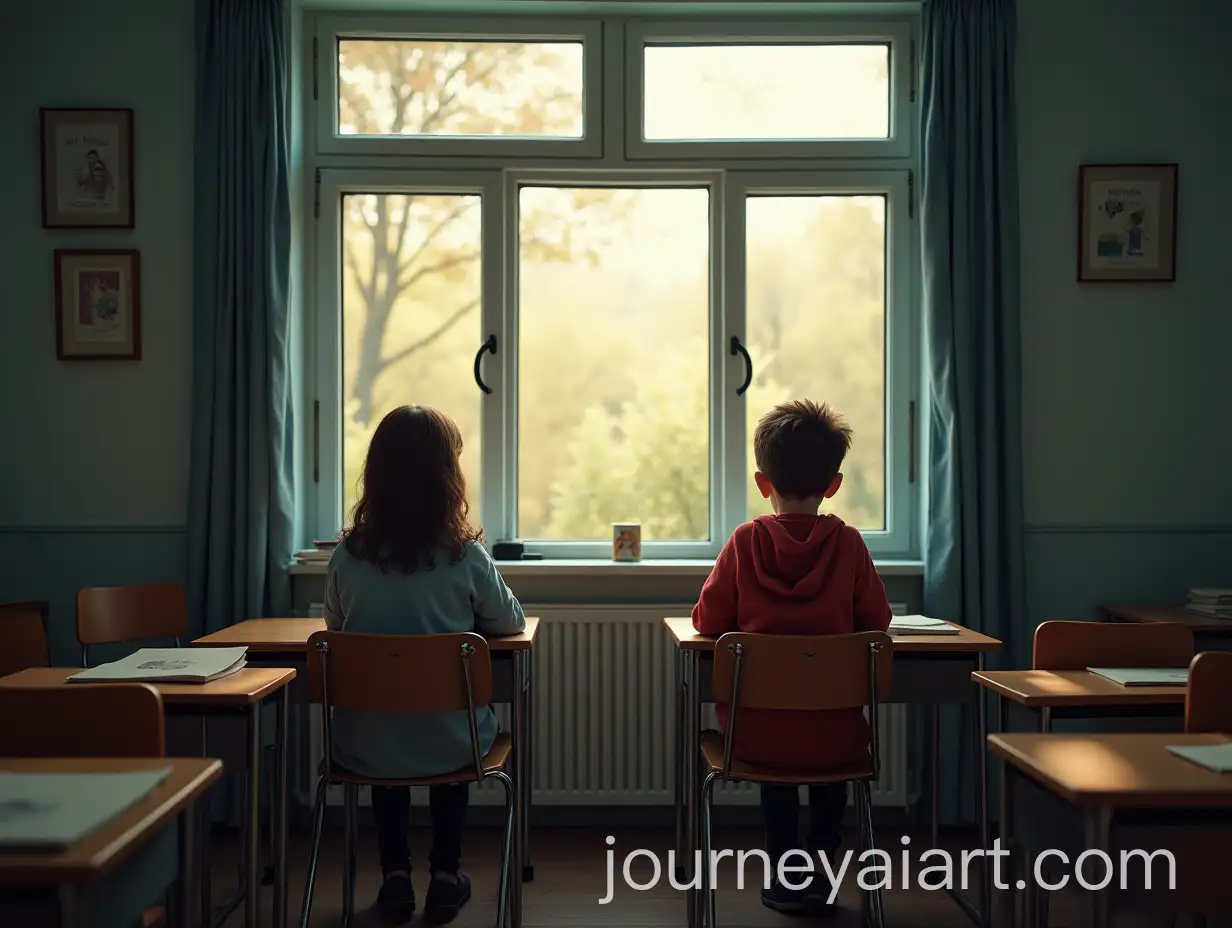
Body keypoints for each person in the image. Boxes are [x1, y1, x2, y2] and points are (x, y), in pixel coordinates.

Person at [324, 405, 525, 924]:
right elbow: (507, 623)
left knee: (386, 744)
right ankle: (444, 876)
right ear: (447, 478)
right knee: (448, 740)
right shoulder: (465, 556)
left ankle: (394, 878)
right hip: (452, 743)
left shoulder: (347, 556)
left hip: (365, 744)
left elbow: (335, 631)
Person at [691, 399, 892, 914]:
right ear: (834, 484)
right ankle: (821, 880)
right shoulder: (849, 544)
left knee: (774, 758)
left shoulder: (743, 542)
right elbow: (879, 624)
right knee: (833, 769)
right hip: (836, 735)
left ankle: (785, 879)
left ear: (763, 483)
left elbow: (707, 625)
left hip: (757, 738)